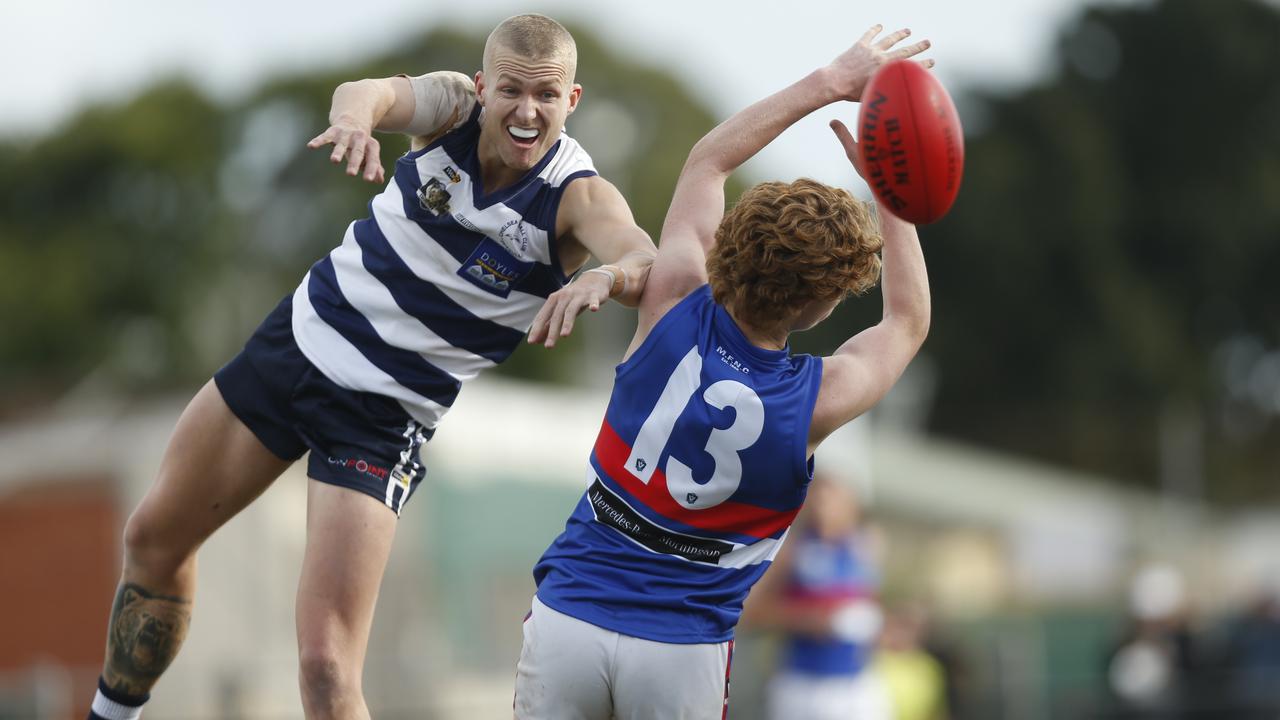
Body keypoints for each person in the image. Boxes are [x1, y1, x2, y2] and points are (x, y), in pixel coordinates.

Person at [87, 13, 656, 720]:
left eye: (547, 96)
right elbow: (368, 92)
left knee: (327, 667)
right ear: (483, 88)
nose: (526, 111)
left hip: (381, 418)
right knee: (151, 537)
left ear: (572, 101)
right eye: (511, 91)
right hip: (295, 345)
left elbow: (641, 253)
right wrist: (356, 122)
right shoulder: (451, 109)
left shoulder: (576, 197)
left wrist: (607, 278)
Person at [513, 24, 933, 720]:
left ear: (733, 243)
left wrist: (830, 82)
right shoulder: (818, 398)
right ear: (822, 302)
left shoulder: (672, 293)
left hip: (571, 617)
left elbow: (709, 161)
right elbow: (908, 322)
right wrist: (886, 192)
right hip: (682, 650)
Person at [742, 475, 893, 720]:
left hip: (856, 683)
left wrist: (880, 627)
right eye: (818, 500)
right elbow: (750, 612)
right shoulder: (791, 549)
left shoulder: (867, 546)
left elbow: (872, 606)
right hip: (802, 684)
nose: (823, 508)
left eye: (832, 500)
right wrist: (812, 620)